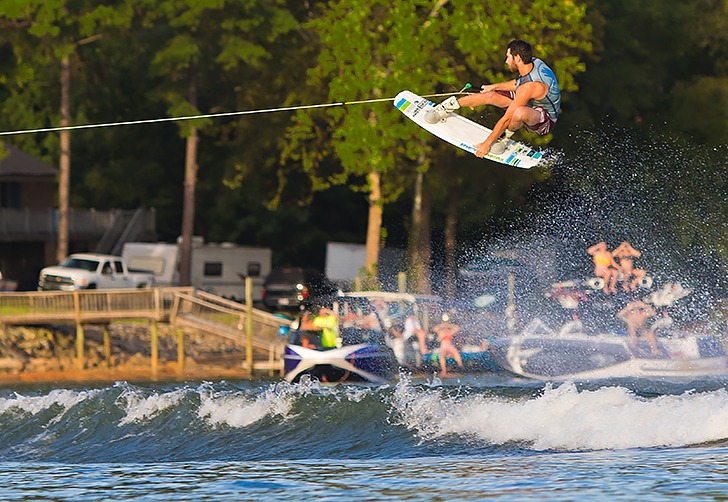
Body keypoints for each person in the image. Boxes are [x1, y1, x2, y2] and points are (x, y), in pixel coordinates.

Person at [427, 39, 560, 158]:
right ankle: (447, 106)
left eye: (508, 57)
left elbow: (507, 118)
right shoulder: (532, 63)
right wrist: (494, 86)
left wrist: (487, 144)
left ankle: (504, 137)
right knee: (490, 95)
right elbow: (517, 83)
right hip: (531, 99)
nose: (506, 61)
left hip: (545, 119)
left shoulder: (530, 87)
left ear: (517, 58)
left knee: (518, 113)